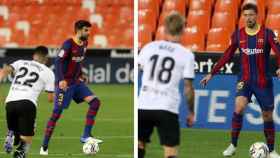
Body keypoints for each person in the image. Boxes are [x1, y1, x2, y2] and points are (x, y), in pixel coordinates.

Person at [200, 3, 280, 158]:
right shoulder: (238, 35)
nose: (248, 18)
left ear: (257, 16)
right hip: (245, 79)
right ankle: (233, 145)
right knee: (239, 106)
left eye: (251, 15)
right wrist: (212, 73)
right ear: (243, 17)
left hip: (263, 81)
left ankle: (271, 150)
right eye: (245, 15)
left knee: (267, 116)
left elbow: (278, 52)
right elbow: (227, 55)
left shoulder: (268, 34)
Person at [40, 20, 102, 155]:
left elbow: (78, 62)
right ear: (79, 30)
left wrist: (81, 74)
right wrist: (61, 79)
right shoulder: (68, 44)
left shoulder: (85, 43)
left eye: (89, 30)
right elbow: (58, 61)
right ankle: (44, 145)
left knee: (95, 102)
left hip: (76, 82)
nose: (88, 33)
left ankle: (85, 135)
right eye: (86, 30)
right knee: (56, 114)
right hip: (64, 84)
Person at [138, 12, 195, 158]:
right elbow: (188, 88)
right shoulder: (186, 54)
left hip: (143, 105)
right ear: (183, 30)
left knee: (139, 145)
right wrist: (191, 112)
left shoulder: (149, 47)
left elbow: (139, 69)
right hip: (167, 107)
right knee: (170, 151)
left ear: (163, 29)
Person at [0, 46, 54, 158]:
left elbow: (4, 71)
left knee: (16, 129)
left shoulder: (21, 62)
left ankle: (12, 134)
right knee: (26, 142)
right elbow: (50, 99)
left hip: (10, 103)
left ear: (34, 56)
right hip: (27, 103)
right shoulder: (48, 72)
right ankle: (19, 150)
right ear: (46, 58)